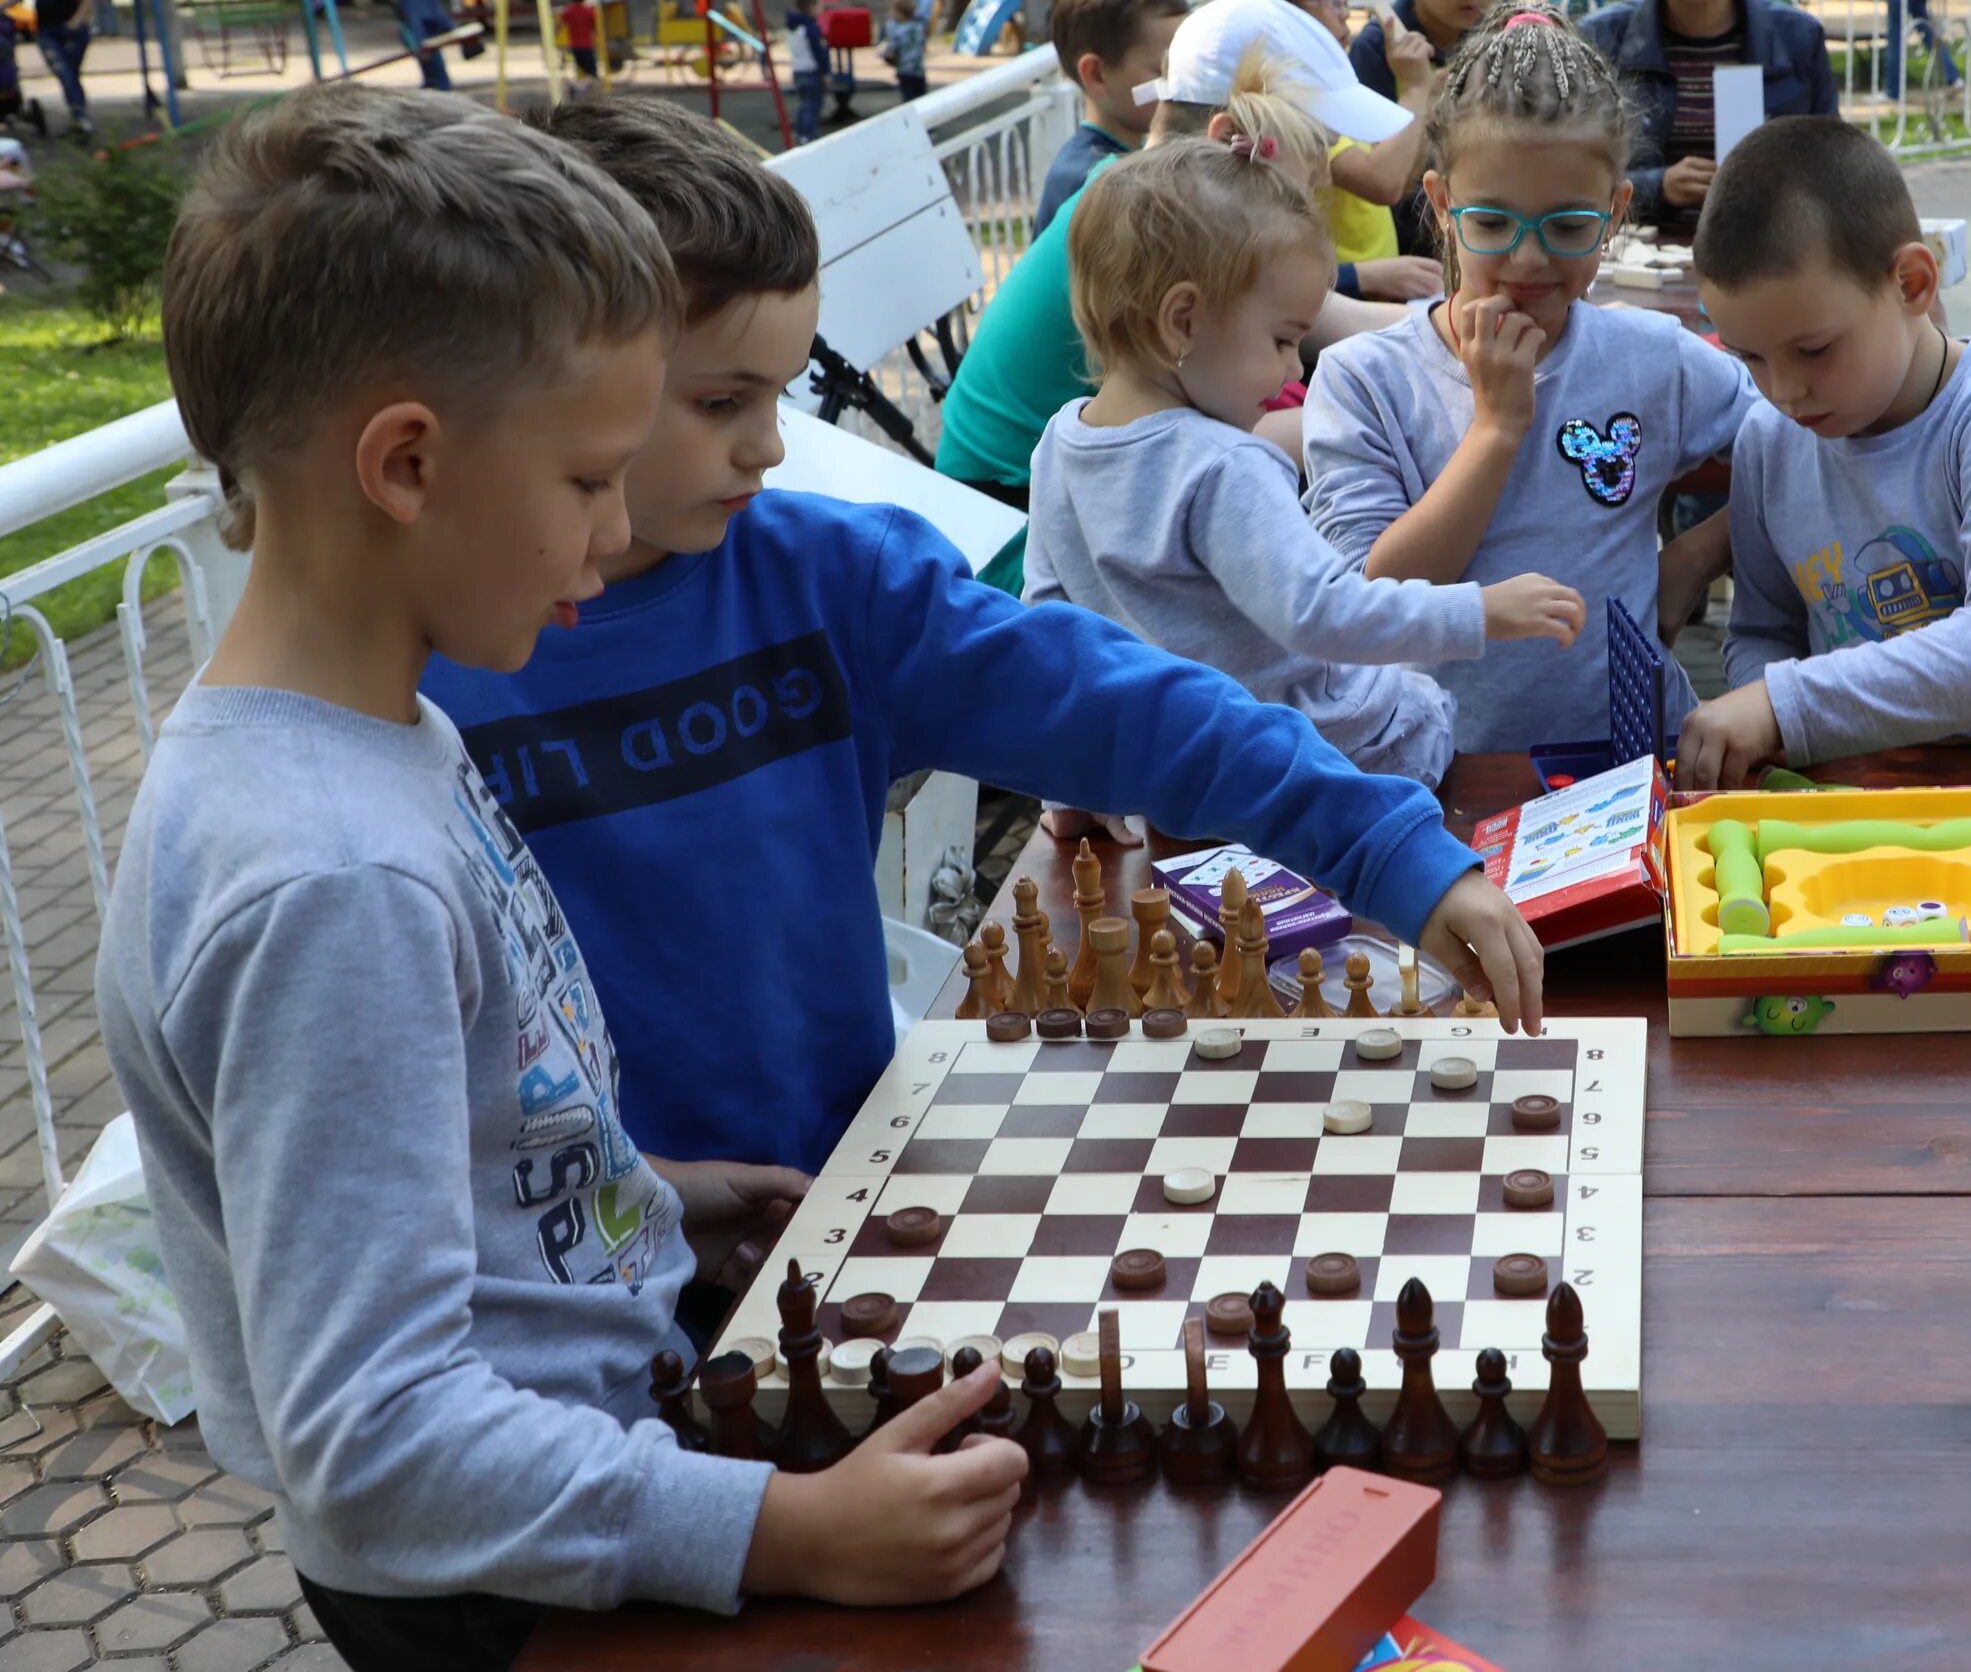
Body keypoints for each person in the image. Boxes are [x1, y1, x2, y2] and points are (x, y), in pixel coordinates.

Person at [105, 85, 1035, 1672]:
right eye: (588, 480)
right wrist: (788, 1533)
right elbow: (379, 1445)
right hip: (507, 1579)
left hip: (576, 1476)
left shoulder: (374, 728)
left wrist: (647, 1194)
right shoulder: (330, 880)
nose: (614, 542)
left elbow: (432, 1160)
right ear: (405, 464)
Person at [420, 94, 1545, 1185]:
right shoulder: (427, 666)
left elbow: (1132, 705)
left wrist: (1387, 849)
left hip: (845, 1181)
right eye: (721, 402)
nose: (772, 446)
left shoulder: (831, 581)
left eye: (782, 396)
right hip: (582, 1259)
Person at [1678, 116, 1971, 895]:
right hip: (1864, 830)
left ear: (1912, 283)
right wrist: (1759, 706)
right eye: (1751, 359)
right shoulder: (1771, 439)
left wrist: (1782, 703)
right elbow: (1765, 626)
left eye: (1812, 351)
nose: (1784, 389)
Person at [1026, 138, 1585, 785]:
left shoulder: (1061, 444)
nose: (1295, 369)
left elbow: (1050, 630)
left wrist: (1070, 796)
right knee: (1430, 712)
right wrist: (1481, 612)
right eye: (1283, 340)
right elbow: (1324, 614)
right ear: (1182, 321)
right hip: (1326, 762)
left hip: (1172, 770)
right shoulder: (1226, 464)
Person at [1305, 7, 1755, 757]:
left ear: (1615, 212)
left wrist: (1700, 552)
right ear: (1443, 206)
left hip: (1629, 764)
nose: (1529, 259)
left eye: (1569, 226)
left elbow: (1807, 443)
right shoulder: (1367, 382)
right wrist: (1496, 429)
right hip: (1439, 777)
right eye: (1493, 223)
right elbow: (1372, 605)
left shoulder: (1653, 358)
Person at [936, 0, 1421, 592]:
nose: (1318, 189)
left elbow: (1340, 319)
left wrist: (1451, 329)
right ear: (1232, 142)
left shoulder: (1164, 209)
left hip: (1078, 501)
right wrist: (1408, 401)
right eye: (1313, 156)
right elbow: (1231, 446)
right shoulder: (1151, 238)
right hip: (1017, 532)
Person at [1579, 0, 1837, 238]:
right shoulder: (1600, 42)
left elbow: (1834, 176)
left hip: (1771, 260)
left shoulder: (1799, 39)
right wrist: (1658, 186)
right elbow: (1571, 182)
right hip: (1639, 268)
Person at [1218, 0, 1442, 302]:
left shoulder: (1326, 91)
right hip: (1335, 300)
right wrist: (1416, 90)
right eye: (1331, 2)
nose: (1344, 17)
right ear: (1282, 15)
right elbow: (1384, 182)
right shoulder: (1286, 109)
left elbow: (1401, 175)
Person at [1346, 0, 1513, 251]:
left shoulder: (1508, 30)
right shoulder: (1381, 48)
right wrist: (1422, 102)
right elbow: (1385, 185)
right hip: (1411, 242)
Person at [1033, 0, 1189, 235]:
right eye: (1164, 70)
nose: (1183, 81)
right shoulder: (1089, 183)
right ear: (1096, 75)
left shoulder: (1131, 157)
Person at [5, 0, 96, 133]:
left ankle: (79, 118)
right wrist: (4, 7)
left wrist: (77, 20)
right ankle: (80, 118)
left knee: (71, 74)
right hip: (46, 29)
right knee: (63, 72)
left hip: (72, 29)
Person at [785, 0, 832, 143]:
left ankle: (801, 132)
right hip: (812, 70)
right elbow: (818, 51)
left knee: (804, 103)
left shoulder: (792, 27)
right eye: (820, 4)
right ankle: (809, 135)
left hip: (798, 69)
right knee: (813, 105)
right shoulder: (810, 28)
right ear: (811, 6)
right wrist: (825, 71)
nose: (822, 8)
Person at [556, 0, 604, 88]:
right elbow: (596, 28)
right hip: (587, 46)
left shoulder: (568, 11)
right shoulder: (589, 11)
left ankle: (580, 87)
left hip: (574, 47)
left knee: (587, 72)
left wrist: (556, 41)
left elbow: (558, 27)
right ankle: (578, 87)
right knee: (592, 74)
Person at [879, 0, 927, 104]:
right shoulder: (918, 27)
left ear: (900, 13)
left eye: (893, 11)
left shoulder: (897, 30)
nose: (890, 14)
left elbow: (891, 50)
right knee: (921, 101)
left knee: (908, 101)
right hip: (919, 71)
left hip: (905, 71)